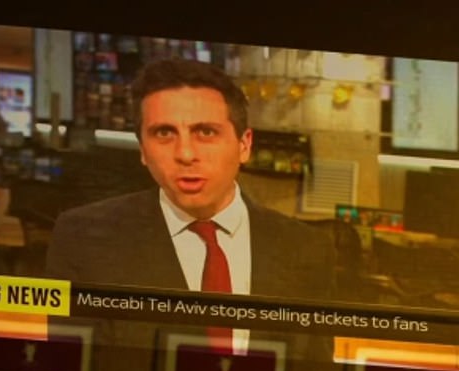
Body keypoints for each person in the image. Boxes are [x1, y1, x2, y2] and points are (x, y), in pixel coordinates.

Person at [46, 57, 335, 302]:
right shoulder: (83, 238)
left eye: (206, 132)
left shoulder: (307, 249)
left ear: (244, 145)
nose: (185, 153)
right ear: (143, 150)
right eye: (164, 133)